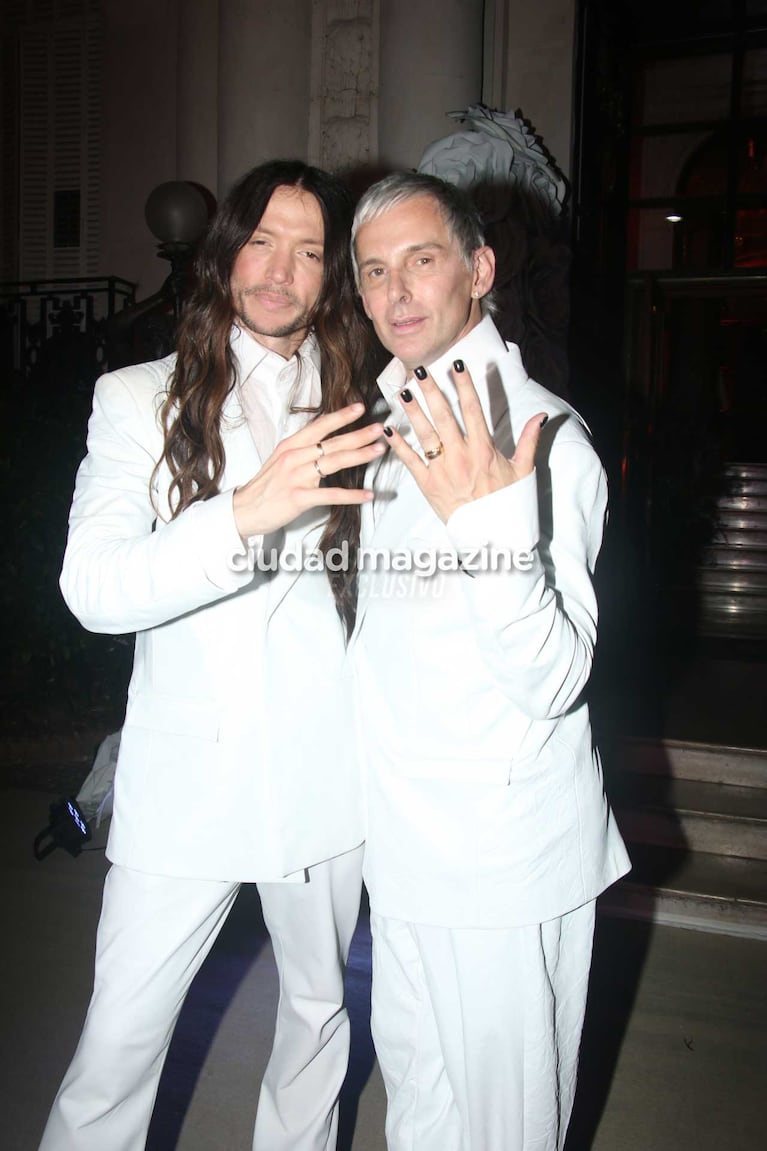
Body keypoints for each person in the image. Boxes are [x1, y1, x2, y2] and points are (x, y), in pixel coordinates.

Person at [39, 159, 385, 1151]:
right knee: (119, 1040)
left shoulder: (364, 408)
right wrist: (240, 515)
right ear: (224, 250)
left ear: (332, 277)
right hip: (186, 773)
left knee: (319, 1011)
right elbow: (93, 590)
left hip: (327, 771)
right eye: (261, 241)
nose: (280, 271)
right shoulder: (136, 397)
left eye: (310, 251)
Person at [348, 171, 631, 1151]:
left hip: (500, 856)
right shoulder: (389, 430)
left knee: (506, 1126)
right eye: (373, 271)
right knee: (420, 1104)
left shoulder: (546, 439)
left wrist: (483, 524)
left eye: (421, 260)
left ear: (478, 268)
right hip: (404, 843)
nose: (396, 293)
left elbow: (554, 676)